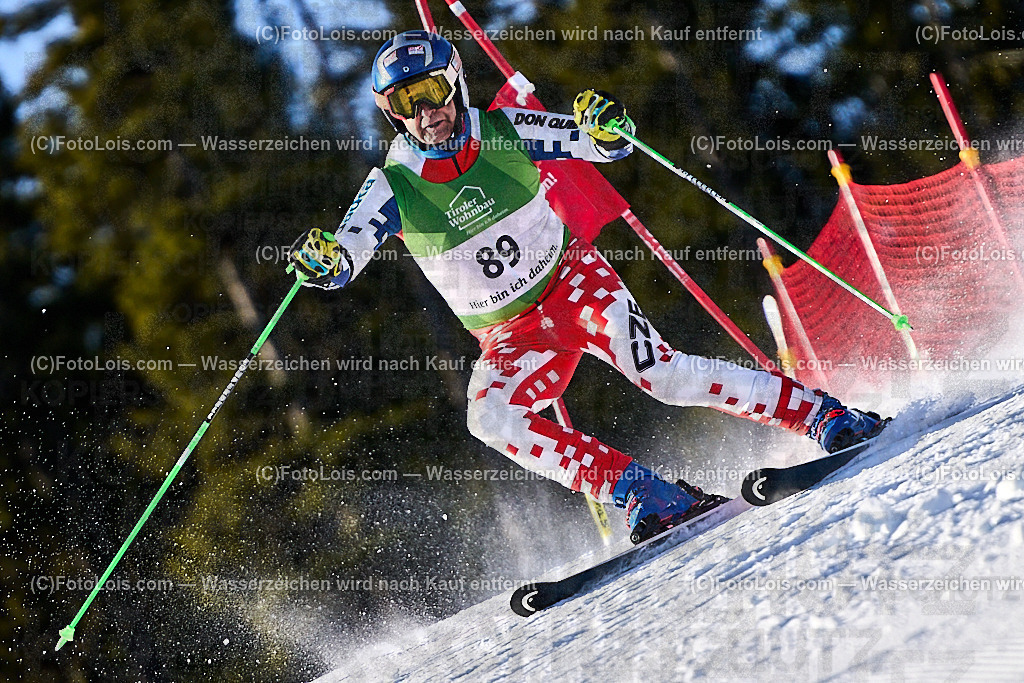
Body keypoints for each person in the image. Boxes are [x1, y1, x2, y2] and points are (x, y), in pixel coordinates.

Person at [288, 30, 884, 543]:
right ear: (390, 110)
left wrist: (605, 126)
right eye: (405, 101)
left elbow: (598, 144)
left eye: (432, 92)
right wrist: (325, 260)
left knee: (663, 376)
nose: (425, 112)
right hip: (511, 337)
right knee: (489, 418)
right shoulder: (392, 184)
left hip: (572, 283)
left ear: (455, 83)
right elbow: (348, 256)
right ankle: (638, 491)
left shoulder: (505, 129)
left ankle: (822, 415)